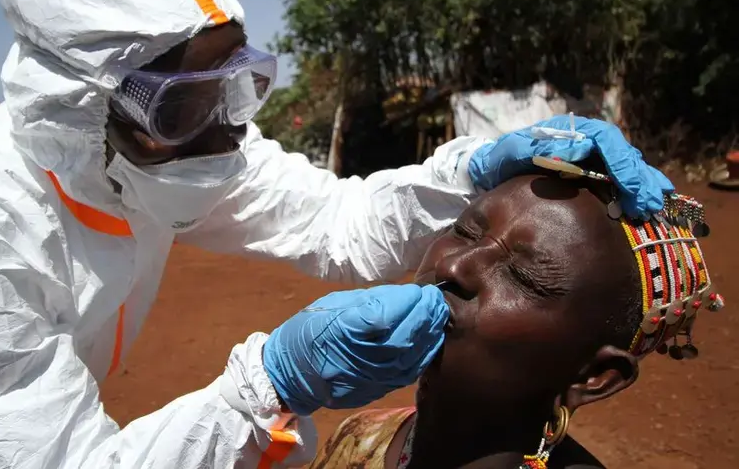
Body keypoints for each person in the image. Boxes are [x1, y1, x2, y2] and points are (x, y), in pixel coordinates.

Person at [0, 0, 673, 467]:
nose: (229, 129)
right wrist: (269, 386)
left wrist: (470, 167)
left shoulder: (155, 157)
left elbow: (335, 222)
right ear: (78, 109)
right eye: (187, 105)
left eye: (238, 85)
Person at [306, 167, 723, 469]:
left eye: (524, 276)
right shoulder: (362, 433)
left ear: (593, 375)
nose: (455, 266)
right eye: (466, 231)